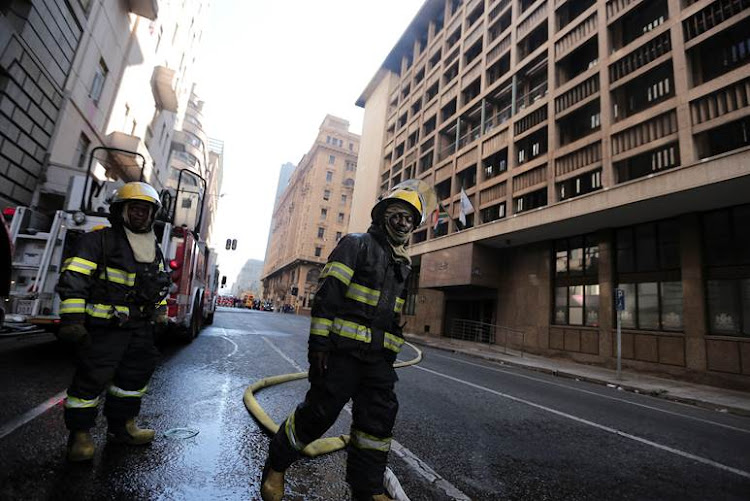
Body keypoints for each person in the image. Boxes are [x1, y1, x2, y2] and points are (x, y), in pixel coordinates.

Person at [260, 187, 423, 501]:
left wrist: (388, 352)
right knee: (319, 414)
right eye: (397, 215)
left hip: (378, 362)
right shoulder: (356, 245)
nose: (403, 223)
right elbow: (328, 296)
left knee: (377, 424)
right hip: (342, 354)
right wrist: (318, 346)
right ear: (382, 216)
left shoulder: (403, 265)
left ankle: (368, 488)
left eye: (409, 219)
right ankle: (276, 464)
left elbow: (391, 316)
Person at [55, 181, 171, 462]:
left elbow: (158, 284)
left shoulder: (152, 247)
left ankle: (123, 427)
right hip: (104, 328)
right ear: (121, 211)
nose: (140, 215)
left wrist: (160, 310)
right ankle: (80, 436)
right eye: (135, 209)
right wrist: (72, 320)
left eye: (146, 210)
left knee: (133, 379)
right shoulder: (98, 240)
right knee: (90, 380)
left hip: (139, 328)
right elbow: (74, 279)